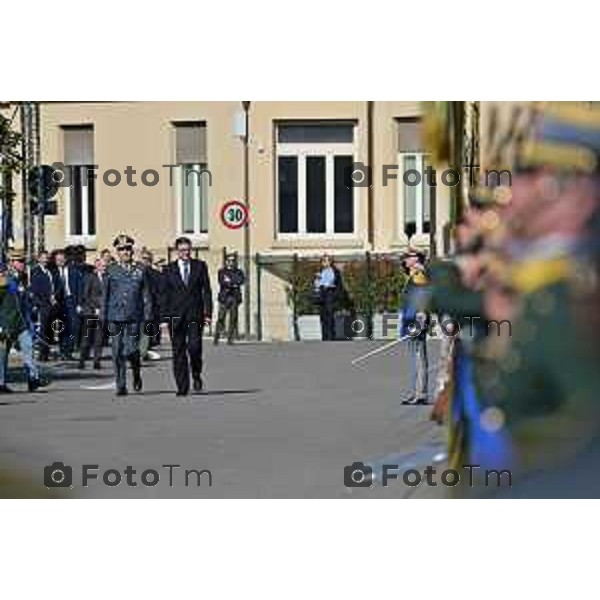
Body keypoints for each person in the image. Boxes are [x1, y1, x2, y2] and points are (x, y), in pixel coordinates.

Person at [160, 236, 212, 396]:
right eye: (182, 250)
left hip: (194, 315)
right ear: (177, 251)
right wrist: (163, 319)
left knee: (195, 347)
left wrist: (208, 313)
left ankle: (196, 373)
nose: (185, 253)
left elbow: (206, 291)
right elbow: (164, 295)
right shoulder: (168, 269)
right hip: (175, 317)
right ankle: (182, 386)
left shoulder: (200, 266)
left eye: (188, 250)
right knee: (178, 352)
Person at [105, 235, 151, 396]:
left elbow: (146, 295)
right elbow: (106, 295)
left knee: (131, 349)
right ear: (117, 252)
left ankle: (136, 371)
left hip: (134, 316)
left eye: (128, 249)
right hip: (115, 316)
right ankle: (121, 385)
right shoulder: (111, 270)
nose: (125, 252)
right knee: (117, 351)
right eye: (121, 249)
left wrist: (148, 316)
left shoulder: (140, 269)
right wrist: (103, 318)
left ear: (132, 250)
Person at [0, 262, 47, 392]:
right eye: (1, 272)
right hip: (6, 326)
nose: (3, 274)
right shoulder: (4, 285)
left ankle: (33, 380)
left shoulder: (19, 280)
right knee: (2, 355)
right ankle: (1, 383)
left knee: (29, 350)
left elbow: (24, 302)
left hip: (21, 324)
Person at [400, 249, 430, 405]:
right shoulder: (413, 275)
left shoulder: (419, 276)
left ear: (416, 259)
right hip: (410, 319)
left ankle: (421, 394)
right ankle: (417, 392)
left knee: (419, 357)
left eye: (407, 257)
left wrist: (421, 317)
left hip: (416, 319)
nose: (404, 259)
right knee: (416, 357)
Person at [52, 248, 84, 361]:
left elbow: (80, 288)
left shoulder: (73, 271)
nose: (60, 261)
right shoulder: (52, 272)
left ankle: (69, 350)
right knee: (61, 326)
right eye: (57, 260)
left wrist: (79, 303)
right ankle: (63, 351)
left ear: (65, 259)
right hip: (59, 302)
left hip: (71, 300)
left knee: (74, 326)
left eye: (62, 259)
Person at [78, 258, 108, 370]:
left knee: (99, 338)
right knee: (86, 337)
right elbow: (86, 295)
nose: (105, 268)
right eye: (103, 266)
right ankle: (82, 360)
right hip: (90, 312)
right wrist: (95, 307)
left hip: (102, 312)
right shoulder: (90, 278)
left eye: (105, 266)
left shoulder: (107, 278)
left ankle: (97, 361)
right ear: (97, 267)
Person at [29, 250, 58, 362]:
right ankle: (41, 354)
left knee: (50, 330)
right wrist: (39, 304)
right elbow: (35, 290)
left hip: (51, 304)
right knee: (43, 330)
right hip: (43, 304)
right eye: (44, 258)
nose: (46, 260)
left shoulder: (49, 271)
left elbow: (53, 286)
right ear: (39, 259)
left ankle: (46, 353)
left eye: (47, 257)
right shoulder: (36, 272)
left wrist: (54, 296)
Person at [214, 253, 245, 345]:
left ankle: (230, 339)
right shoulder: (222, 271)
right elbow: (222, 282)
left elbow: (241, 281)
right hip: (224, 298)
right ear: (226, 262)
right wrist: (233, 283)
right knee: (221, 318)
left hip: (234, 297)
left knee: (233, 318)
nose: (231, 263)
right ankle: (217, 337)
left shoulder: (239, 271)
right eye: (229, 261)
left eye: (233, 261)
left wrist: (230, 281)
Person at [138, 248, 162, 361]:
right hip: (136, 306)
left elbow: (160, 291)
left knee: (147, 331)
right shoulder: (135, 273)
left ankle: (143, 351)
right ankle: (141, 351)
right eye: (143, 259)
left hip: (151, 306)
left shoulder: (156, 274)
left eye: (147, 259)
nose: (145, 261)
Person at [313, 254, 343, 341]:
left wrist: (336, 296)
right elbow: (317, 284)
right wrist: (317, 280)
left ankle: (331, 337)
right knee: (323, 316)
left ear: (330, 262)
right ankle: (325, 337)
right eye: (323, 261)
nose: (324, 263)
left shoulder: (334, 271)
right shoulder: (320, 271)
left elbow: (335, 283)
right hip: (322, 294)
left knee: (329, 315)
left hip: (330, 293)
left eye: (326, 261)